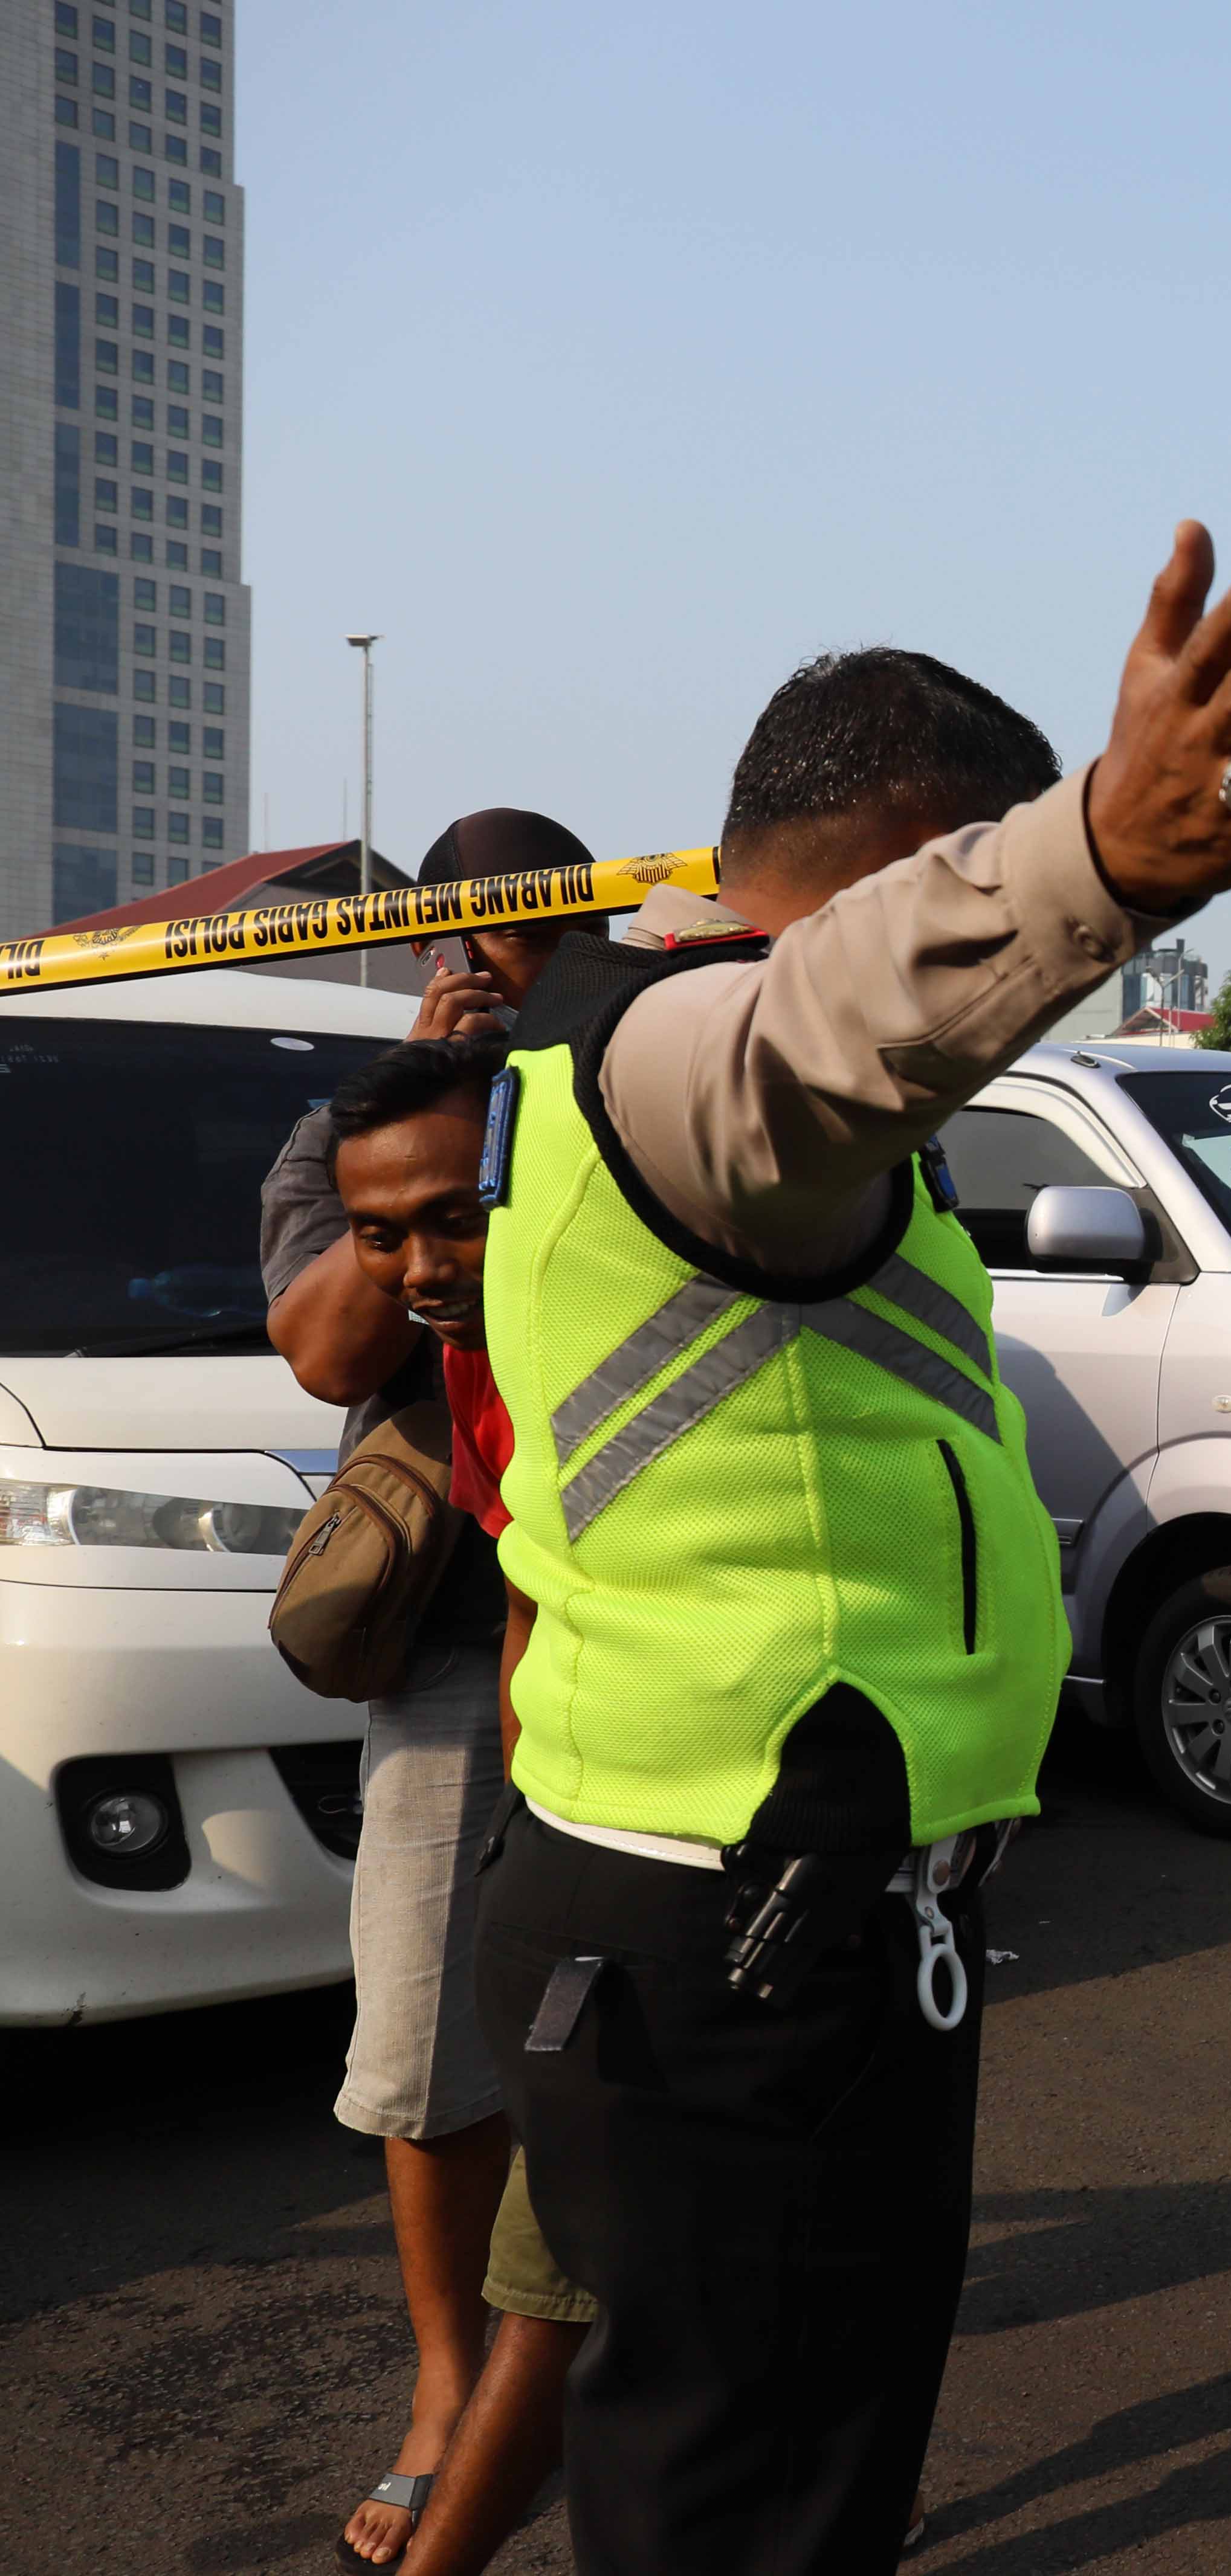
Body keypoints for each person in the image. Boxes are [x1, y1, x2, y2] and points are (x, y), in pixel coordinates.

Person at [473, 527, 1231, 2576]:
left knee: (765, 2450)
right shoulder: (679, 1057)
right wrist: (1093, 865)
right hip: (744, 1913)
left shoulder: (591, 1040)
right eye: (979, 869)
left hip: (740, 1889)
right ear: (922, 849)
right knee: (760, 2486)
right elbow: (820, 1035)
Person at [259, 810, 598, 2575]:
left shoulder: (620, 1096)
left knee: (648, 2033)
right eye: (469, 950)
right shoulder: (358, 1129)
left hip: (624, 1629)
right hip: (455, 1649)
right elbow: (326, 1341)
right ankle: (448, 2389)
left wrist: (546, 1083)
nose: (493, 975)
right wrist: (445, 1112)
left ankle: (653, 2380)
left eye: (527, 947)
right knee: (422, 2052)